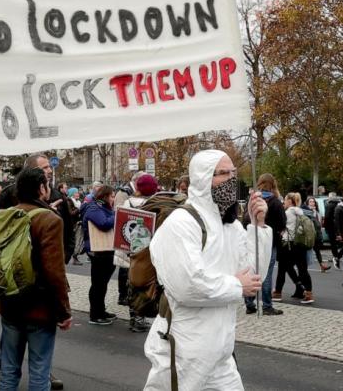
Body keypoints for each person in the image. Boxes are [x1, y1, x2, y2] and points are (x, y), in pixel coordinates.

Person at [144, 150, 270, 390]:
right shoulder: (181, 224)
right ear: (202, 178)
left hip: (221, 353)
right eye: (223, 173)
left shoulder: (230, 227)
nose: (232, 179)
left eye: (234, 173)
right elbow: (187, 286)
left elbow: (253, 278)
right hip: (184, 350)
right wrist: (236, 285)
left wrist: (258, 226)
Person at [0, 168, 72, 390]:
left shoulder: (7, 214)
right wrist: (64, 311)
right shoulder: (49, 219)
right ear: (41, 188)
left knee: (9, 369)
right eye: (47, 184)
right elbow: (54, 272)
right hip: (39, 306)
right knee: (39, 371)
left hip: (9, 301)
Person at [115, 174, 158, 332]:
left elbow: (121, 225)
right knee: (144, 285)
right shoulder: (153, 204)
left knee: (131, 283)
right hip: (146, 252)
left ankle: (134, 317)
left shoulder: (127, 202)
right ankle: (139, 318)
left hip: (129, 249)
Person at [244, 173, 285, 316]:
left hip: (252, 238)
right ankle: (267, 305)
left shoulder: (253, 199)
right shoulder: (275, 202)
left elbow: (245, 219)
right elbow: (282, 223)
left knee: (251, 269)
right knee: (266, 272)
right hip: (269, 240)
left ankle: (249, 302)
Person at [81, 185, 117, 325]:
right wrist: (116, 215)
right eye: (112, 196)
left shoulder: (102, 207)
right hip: (97, 251)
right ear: (105, 196)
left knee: (102, 284)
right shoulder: (94, 208)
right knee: (98, 284)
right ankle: (95, 315)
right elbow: (104, 224)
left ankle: (101, 310)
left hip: (105, 250)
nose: (113, 199)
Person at [280, 193, 315, 304]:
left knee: (286, 266)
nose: (284, 202)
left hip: (290, 244)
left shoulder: (288, 213)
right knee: (303, 269)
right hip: (301, 244)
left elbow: (283, 228)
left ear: (290, 201)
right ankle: (308, 293)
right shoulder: (301, 212)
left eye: (285, 200)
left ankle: (299, 286)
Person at [303, 197, 331, 272]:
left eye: (313, 202)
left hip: (317, 234)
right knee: (306, 251)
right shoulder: (306, 212)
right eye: (310, 202)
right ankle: (303, 267)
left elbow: (319, 223)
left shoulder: (317, 212)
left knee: (317, 250)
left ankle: (322, 266)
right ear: (307, 203)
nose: (312, 203)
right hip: (309, 234)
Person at [324, 192, 343, 269]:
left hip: (331, 227)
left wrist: (326, 227)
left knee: (333, 244)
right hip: (340, 227)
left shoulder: (329, 205)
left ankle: (336, 256)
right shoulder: (340, 204)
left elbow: (327, 217)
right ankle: (338, 256)